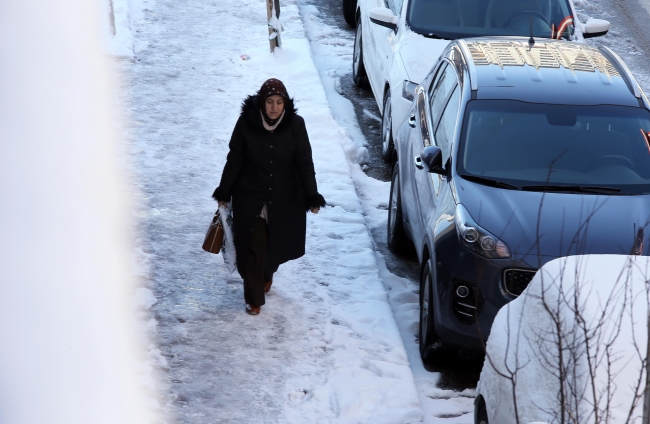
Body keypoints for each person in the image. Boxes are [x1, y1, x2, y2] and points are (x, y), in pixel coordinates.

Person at [212, 78, 326, 315]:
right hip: (249, 195)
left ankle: (267, 272)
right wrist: (224, 191)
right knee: (252, 246)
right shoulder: (246, 124)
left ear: (285, 104)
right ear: (261, 103)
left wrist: (312, 194)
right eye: (270, 102)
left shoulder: (296, 125)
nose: (274, 107)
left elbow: (305, 162)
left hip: (284, 197)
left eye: (279, 102)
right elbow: (235, 159)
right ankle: (254, 299)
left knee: (273, 245)